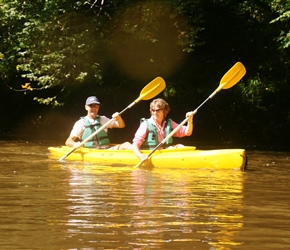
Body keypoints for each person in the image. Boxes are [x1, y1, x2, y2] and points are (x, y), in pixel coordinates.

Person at [65, 96, 132, 150]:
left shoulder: (103, 119)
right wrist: (74, 144)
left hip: (107, 149)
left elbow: (121, 125)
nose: (94, 108)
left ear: (98, 107)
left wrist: (118, 118)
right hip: (91, 151)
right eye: (91, 105)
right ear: (86, 107)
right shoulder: (80, 123)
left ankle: (139, 154)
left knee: (127, 144)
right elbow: (68, 141)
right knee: (125, 146)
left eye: (96, 106)